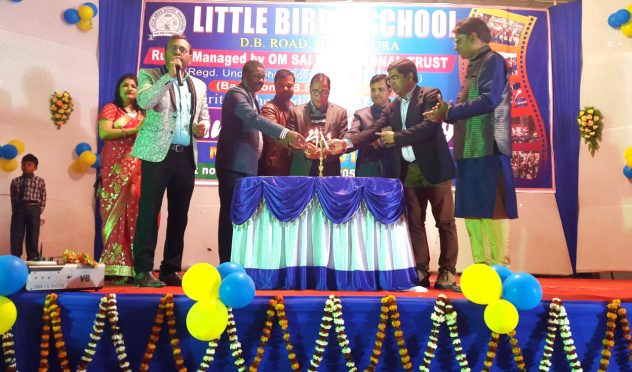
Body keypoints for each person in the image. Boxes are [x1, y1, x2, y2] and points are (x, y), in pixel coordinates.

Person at [329, 59, 461, 291]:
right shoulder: (393, 107)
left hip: (435, 170)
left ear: (410, 76)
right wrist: (346, 143)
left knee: (445, 221)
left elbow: (428, 128)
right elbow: (371, 131)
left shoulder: (430, 95)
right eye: (389, 78)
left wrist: (396, 138)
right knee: (414, 222)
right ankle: (420, 269)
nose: (391, 82)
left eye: (394, 78)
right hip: (408, 171)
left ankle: (447, 271)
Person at [425, 17, 518, 266]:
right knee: (473, 213)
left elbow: (489, 100)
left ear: (475, 37)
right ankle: (480, 270)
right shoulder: (476, 64)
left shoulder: (493, 61)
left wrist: (451, 112)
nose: (456, 47)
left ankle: (499, 271)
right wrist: (446, 112)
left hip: (489, 148)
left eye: (458, 41)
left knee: (493, 210)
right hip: (469, 151)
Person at [131, 34, 210, 287]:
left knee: (179, 215)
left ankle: (170, 268)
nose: (178, 53)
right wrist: (169, 77)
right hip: (157, 156)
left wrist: (202, 127)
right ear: (164, 53)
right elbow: (145, 101)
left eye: (183, 50)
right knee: (149, 212)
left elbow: (204, 116)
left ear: (190, 56)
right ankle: (142, 270)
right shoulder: (149, 75)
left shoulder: (198, 85)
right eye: (173, 49)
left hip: (185, 156)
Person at [216, 60, 307, 264]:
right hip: (233, 167)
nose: (260, 80)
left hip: (247, 168)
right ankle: (227, 263)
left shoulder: (252, 97)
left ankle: (238, 260)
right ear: (245, 75)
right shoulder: (236, 94)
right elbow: (253, 119)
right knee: (230, 217)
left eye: (262, 76)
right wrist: (285, 132)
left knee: (243, 217)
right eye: (256, 76)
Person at [97, 74, 145, 283]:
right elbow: (104, 133)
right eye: (125, 85)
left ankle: (137, 265)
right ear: (118, 89)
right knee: (113, 213)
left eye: (134, 85)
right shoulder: (111, 109)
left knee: (137, 211)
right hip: (114, 169)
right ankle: (115, 265)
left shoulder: (145, 113)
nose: (130, 88)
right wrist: (134, 130)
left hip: (139, 168)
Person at [288, 73, 348, 176]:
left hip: (329, 170)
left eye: (324, 91)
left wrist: (324, 153)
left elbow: (343, 144)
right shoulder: (296, 112)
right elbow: (289, 142)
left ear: (329, 92)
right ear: (310, 91)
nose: (319, 95)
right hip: (302, 170)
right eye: (315, 91)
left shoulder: (340, 113)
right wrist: (305, 149)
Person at [343, 74, 397, 178]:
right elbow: (351, 136)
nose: (376, 93)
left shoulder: (398, 112)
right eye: (373, 90)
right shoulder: (361, 114)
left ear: (390, 90)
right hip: (366, 171)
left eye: (380, 89)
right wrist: (344, 143)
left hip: (395, 170)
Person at [258, 69, 296, 176]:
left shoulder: (297, 109)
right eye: (281, 85)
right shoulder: (268, 108)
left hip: (292, 169)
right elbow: (274, 134)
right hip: (272, 169)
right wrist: (299, 142)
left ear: (294, 86)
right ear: (275, 86)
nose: (285, 88)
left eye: (289, 86)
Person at [10, 154, 46, 261]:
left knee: (33, 235)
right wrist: (16, 211)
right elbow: (13, 198)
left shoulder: (40, 181)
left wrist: (39, 211)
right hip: (19, 209)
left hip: (34, 208)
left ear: (35, 167)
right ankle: (15, 258)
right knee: (16, 235)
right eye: (23, 164)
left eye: (29, 165)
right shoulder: (15, 181)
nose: (25, 166)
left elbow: (43, 197)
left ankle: (33, 257)